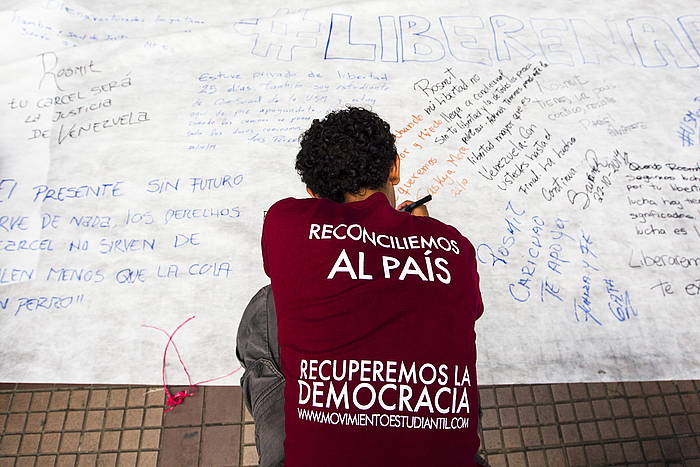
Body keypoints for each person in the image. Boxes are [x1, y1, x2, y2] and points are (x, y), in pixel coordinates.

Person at [237, 107, 486, 467]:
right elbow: (468, 309)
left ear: (311, 192)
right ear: (395, 168)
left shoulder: (284, 223)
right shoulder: (453, 247)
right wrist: (416, 237)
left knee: (266, 307)